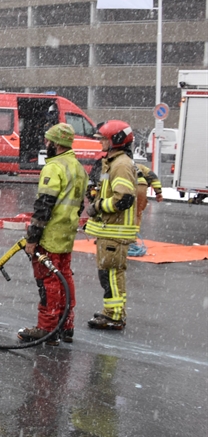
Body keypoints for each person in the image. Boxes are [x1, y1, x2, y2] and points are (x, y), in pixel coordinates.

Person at [19, 123, 88, 343]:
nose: (45, 144)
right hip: (67, 235)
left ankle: (47, 328)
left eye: (48, 141)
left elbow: (44, 205)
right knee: (64, 277)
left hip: (50, 236)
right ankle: (66, 325)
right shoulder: (78, 168)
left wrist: (33, 238)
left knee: (48, 280)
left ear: (56, 144)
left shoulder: (54, 168)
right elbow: (79, 205)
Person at [84, 120, 139, 331]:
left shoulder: (121, 165)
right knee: (107, 274)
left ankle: (114, 316)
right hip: (110, 231)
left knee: (112, 275)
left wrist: (98, 206)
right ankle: (111, 311)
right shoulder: (114, 162)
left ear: (115, 140)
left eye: (103, 139)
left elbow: (123, 199)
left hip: (115, 232)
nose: (101, 143)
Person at [127, 163, 163, 257]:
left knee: (125, 213)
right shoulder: (140, 166)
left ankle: (124, 237)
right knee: (137, 214)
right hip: (142, 186)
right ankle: (133, 238)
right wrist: (158, 192)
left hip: (129, 185)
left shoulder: (121, 164)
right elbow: (153, 177)